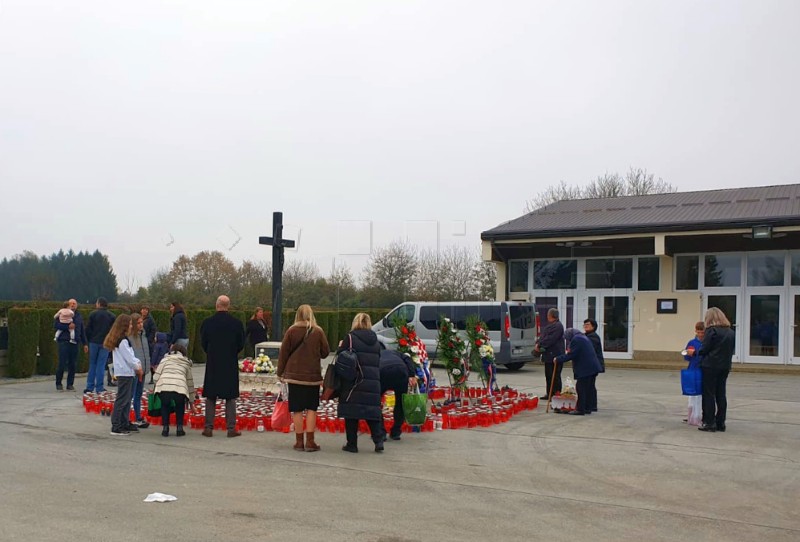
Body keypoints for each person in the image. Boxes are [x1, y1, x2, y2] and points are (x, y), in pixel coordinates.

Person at [277, 305, 330, 452]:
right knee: (312, 408)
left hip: (294, 377)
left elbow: (283, 354)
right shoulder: (318, 331)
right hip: (312, 377)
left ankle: (299, 442)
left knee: (297, 409)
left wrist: (280, 373)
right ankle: (310, 442)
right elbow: (325, 352)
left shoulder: (291, 331)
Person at [337, 313, 384, 453]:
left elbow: (341, 357)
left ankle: (352, 444)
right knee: (372, 412)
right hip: (372, 382)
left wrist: (340, 347)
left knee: (351, 413)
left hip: (354, 381)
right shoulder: (376, 341)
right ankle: (378, 441)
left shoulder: (350, 338)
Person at [200, 295, 245, 438]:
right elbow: (241, 344)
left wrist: (211, 352)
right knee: (230, 396)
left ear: (216, 305)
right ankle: (231, 428)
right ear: (228, 306)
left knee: (211, 395)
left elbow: (203, 342)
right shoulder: (236, 324)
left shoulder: (207, 323)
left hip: (213, 361)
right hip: (229, 362)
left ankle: (208, 427)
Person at [697, 307, 735, 433]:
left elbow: (704, 349)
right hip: (724, 366)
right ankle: (721, 422)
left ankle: (709, 422)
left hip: (710, 366)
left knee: (708, 394)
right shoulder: (730, 332)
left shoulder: (711, 331)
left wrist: (696, 352)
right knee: (721, 394)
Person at [105, 314, 143, 436]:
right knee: (122, 399)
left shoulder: (122, 340)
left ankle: (124, 421)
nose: (132, 327)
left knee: (127, 399)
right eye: (131, 324)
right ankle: (116, 425)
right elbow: (129, 358)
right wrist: (138, 366)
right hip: (125, 373)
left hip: (127, 372)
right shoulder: (123, 341)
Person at [555, 328, 603, 415]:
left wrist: (558, 359)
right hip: (592, 367)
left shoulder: (576, 340)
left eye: (567, 338)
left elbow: (572, 354)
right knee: (588, 388)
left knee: (581, 388)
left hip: (585, 368)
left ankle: (580, 409)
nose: (568, 340)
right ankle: (587, 408)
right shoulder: (583, 337)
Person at [153, 344, 195, 437]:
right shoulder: (186, 363)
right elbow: (190, 383)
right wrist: (191, 401)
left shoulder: (164, 360)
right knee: (180, 405)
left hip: (164, 387)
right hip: (180, 387)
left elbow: (155, 377)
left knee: (165, 405)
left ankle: (165, 429)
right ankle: (179, 428)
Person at [379, 349, 417, 441]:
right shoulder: (396, 352)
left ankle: (381, 433)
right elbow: (408, 359)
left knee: (375, 402)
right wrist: (411, 375)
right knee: (400, 402)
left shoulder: (377, 353)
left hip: (382, 372)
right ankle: (396, 432)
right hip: (400, 371)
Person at [54, 298, 88, 391]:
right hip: (64, 341)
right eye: (71, 303)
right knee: (62, 363)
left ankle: (70, 384)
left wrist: (85, 343)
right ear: (68, 305)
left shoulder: (78, 316)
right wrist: (67, 326)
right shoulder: (61, 313)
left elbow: (82, 330)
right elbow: (56, 325)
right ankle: (58, 383)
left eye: (74, 303)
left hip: (75, 342)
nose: (73, 305)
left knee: (73, 364)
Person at [84, 297, 116, 393]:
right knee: (101, 365)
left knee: (92, 364)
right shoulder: (111, 316)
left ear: (99, 304)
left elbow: (88, 329)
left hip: (94, 342)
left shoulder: (93, 314)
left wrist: (87, 341)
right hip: (105, 343)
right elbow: (112, 331)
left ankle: (89, 386)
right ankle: (99, 387)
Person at [128, 313, 151, 429]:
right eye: (138, 323)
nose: (141, 325)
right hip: (135, 371)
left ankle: (138, 417)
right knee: (131, 394)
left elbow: (145, 352)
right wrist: (137, 367)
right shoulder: (130, 338)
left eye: (142, 322)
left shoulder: (143, 335)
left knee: (138, 394)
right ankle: (127, 418)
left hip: (143, 369)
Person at [535, 308, 565, 400]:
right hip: (548, 355)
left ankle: (556, 393)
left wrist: (540, 344)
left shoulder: (558, 326)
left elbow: (550, 339)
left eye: (548, 315)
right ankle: (550, 393)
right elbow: (543, 336)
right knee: (548, 375)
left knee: (555, 376)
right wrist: (538, 343)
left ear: (551, 316)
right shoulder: (551, 325)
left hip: (555, 354)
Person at [683, 321, 705, 426]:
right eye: (699, 332)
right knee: (692, 393)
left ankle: (698, 416)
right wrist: (688, 353)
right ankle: (691, 416)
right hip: (693, 368)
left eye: (702, 332)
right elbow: (686, 357)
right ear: (695, 331)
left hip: (702, 369)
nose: (700, 335)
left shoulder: (707, 343)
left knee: (700, 394)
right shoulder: (692, 342)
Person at [582, 318, 605, 413]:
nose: (585, 326)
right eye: (584, 325)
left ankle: (590, 406)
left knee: (589, 386)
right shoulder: (587, 336)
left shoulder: (593, 337)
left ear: (593, 327)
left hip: (592, 365)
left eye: (587, 325)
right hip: (590, 365)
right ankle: (591, 405)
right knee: (590, 385)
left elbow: (587, 349)